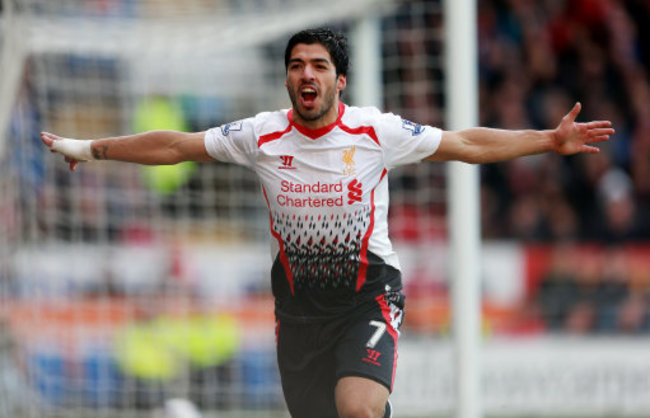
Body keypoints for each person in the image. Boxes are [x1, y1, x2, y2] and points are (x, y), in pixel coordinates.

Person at [41, 28, 614, 418]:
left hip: (368, 296)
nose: (306, 74)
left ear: (341, 81)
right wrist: (94, 149)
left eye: (319, 65)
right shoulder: (259, 135)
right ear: (288, 80)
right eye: (296, 66)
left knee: (358, 407)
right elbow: (175, 147)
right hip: (298, 312)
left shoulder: (375, 131)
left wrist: (548, 139)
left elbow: (464, 143)